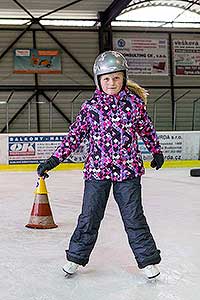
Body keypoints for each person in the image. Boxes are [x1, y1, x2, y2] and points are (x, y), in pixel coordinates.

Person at [37, 50, 164, 280]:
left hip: (128, 171)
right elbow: (74, 136)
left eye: (116, 77)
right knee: (90, 216)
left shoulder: (134, 104)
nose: (111, 83)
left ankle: (147, 262)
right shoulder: (91, 107)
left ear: (123, 78)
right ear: (98, 81)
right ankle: (75, 257)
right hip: (97, 171)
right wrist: (54, 159)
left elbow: (147, 129)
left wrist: (156, 151)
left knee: (134, 216)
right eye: (106, 78)